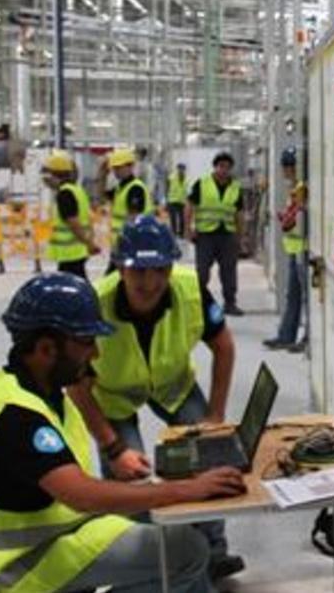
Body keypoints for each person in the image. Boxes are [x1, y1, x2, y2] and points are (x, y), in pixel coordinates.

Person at [0, 273, 246, 593]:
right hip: (21, 568)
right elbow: (85, 496)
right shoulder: (15, 417)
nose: (96, 355)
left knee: (178, 545)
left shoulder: (36, 392)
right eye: (86, 342)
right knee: (186, 551)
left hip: (56, 536)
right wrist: (188, 489)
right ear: (46, 349)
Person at [67, 216, 246, 581]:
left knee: (210, 459)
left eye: (160, 271)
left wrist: (214, 415)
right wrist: (113, 447)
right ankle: (146, 566)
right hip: (114, 396)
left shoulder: (191, 290)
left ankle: (212, 553)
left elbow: (224, 348)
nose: (150, 284)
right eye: (139, 272)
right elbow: (77, 385)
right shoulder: (94, 304)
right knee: (129, 482)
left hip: (172, 385)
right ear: (120, 267)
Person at [185, 151, 245, 316]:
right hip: (205, 235)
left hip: (227, 235)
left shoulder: (235, 187)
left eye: (227, 167)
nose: (224, 170)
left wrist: (240, 236)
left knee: (229, 271)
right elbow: (189, 205)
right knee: (202, 271)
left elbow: (239, 213)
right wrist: (188, 228)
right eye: (221, 166)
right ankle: (199, 304)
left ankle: (230, 303)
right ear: (215, 167)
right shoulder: (202, 184)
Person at [264, 148, 307, 352]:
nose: (286, 171)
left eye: (288, 166)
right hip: (294, 248)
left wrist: (288, 218)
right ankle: (286, 336)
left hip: (305, 250)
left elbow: (301, 218)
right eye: (285, 166)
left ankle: (308, 339)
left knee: (307, 298)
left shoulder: (303, 188)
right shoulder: (296, 188)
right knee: (294, 296)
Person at [42, 150, 100, 279]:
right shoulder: (77, 190)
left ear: (55, 174)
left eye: (47, 174)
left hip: (70, 253)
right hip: (77, 252)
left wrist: (90, 244)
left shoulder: (65, 194)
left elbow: (74, 223)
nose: (45, 179)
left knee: (74, 288)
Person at [105, 147, 154, 274]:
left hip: (131, 243)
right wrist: (102, 174)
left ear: (130, 166)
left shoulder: (135, 189)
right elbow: (101, 196)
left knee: (113, 279)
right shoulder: (120, 187)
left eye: (119, 167)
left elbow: (134, 220)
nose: (116, 171)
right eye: (114, 168)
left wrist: (123, 243)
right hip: (122, 243)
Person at [167, 163, 188, 239]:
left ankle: (181, 234)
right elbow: (167, 188)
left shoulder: (186, 179)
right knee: (173, 218)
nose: (181, 170)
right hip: (172, 200)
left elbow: (187, 191)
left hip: (182, 202)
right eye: (180, 169)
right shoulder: (171, 178)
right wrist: (166, 200)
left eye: (182, 169)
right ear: (177, 169)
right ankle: (174, 233)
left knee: (182, 218)